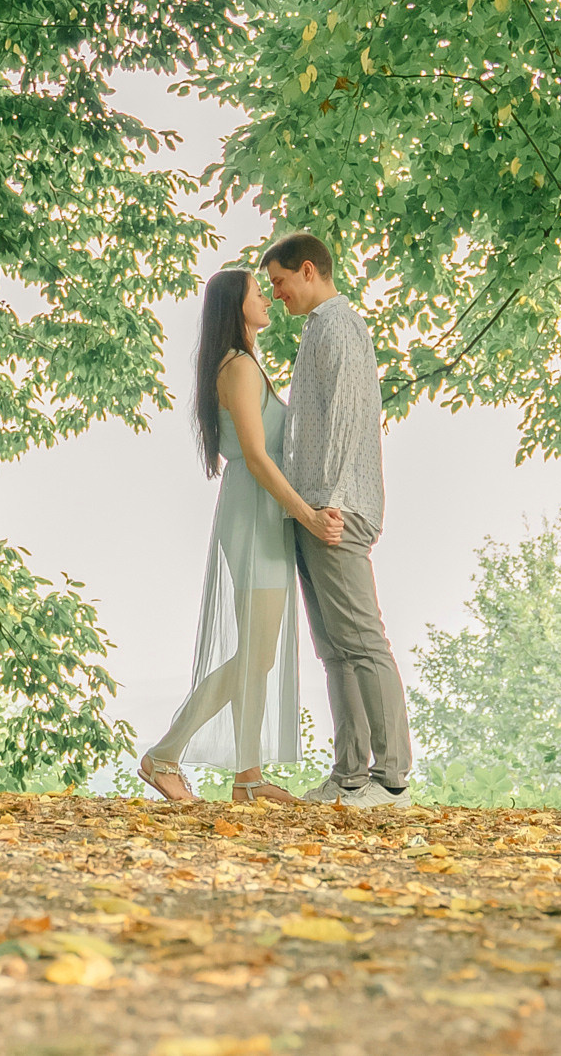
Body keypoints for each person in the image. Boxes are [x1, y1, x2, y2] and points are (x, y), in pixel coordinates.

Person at [136, 267, 339, 804]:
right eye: (257, 292)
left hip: (256, 510)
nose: (268, 299)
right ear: (236, 306)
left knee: (257, 655)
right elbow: (255, 456)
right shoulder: (240, 368)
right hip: (254, 512)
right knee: (255, 654)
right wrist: (309, 516)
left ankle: (248, 778)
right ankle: (164, 755)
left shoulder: (242, 364)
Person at [262, 232, 413, 810]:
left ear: (308, 270)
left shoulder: (339, 326)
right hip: (315, 508)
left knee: (363, 641)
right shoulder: (318, 329)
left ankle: (391, 780)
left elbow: (348, 418)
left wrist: (327, 502)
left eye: (279, 282)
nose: (276, 294)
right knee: (334, 649)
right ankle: (350, 776)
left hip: (335, 508)